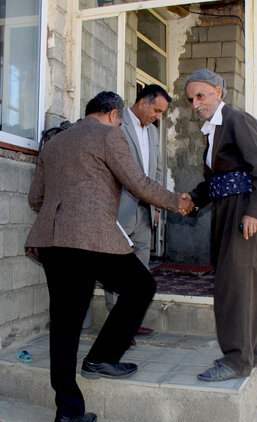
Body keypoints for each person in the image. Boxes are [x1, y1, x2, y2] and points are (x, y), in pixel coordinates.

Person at [24, 91, 194, 422]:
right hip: (91, 238)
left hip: (53, 240)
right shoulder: (109, 135)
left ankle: (67, 411)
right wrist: (177, 203)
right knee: (142, 286)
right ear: (115, 115)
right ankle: (101, 358)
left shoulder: (55, 143)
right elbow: (138, 183)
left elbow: (35, 199)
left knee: (64, 324)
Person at [184, 69, 257, 382]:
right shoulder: (212, 131)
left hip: (243, 212)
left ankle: (237, 361)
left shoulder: (235, 119)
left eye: (201, 96)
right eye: (191, 99)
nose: (195, 104)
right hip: (225, 210)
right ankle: (254, 351)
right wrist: (192, 199)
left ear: (218, 93)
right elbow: (214, 182)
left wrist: (254, 213)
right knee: (237, 282)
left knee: (237, 286)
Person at [105, 84, 172, 336]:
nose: (158, 117)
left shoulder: (153, 133)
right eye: (156, 110)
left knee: (141, 266)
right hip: (120, 207)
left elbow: (154, 172)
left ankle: (130, 321)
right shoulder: (117, 124)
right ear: (142, 102)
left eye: (161, 113)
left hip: (145, 210)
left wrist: (156, 206)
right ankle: (115, 328)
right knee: (117, 267)